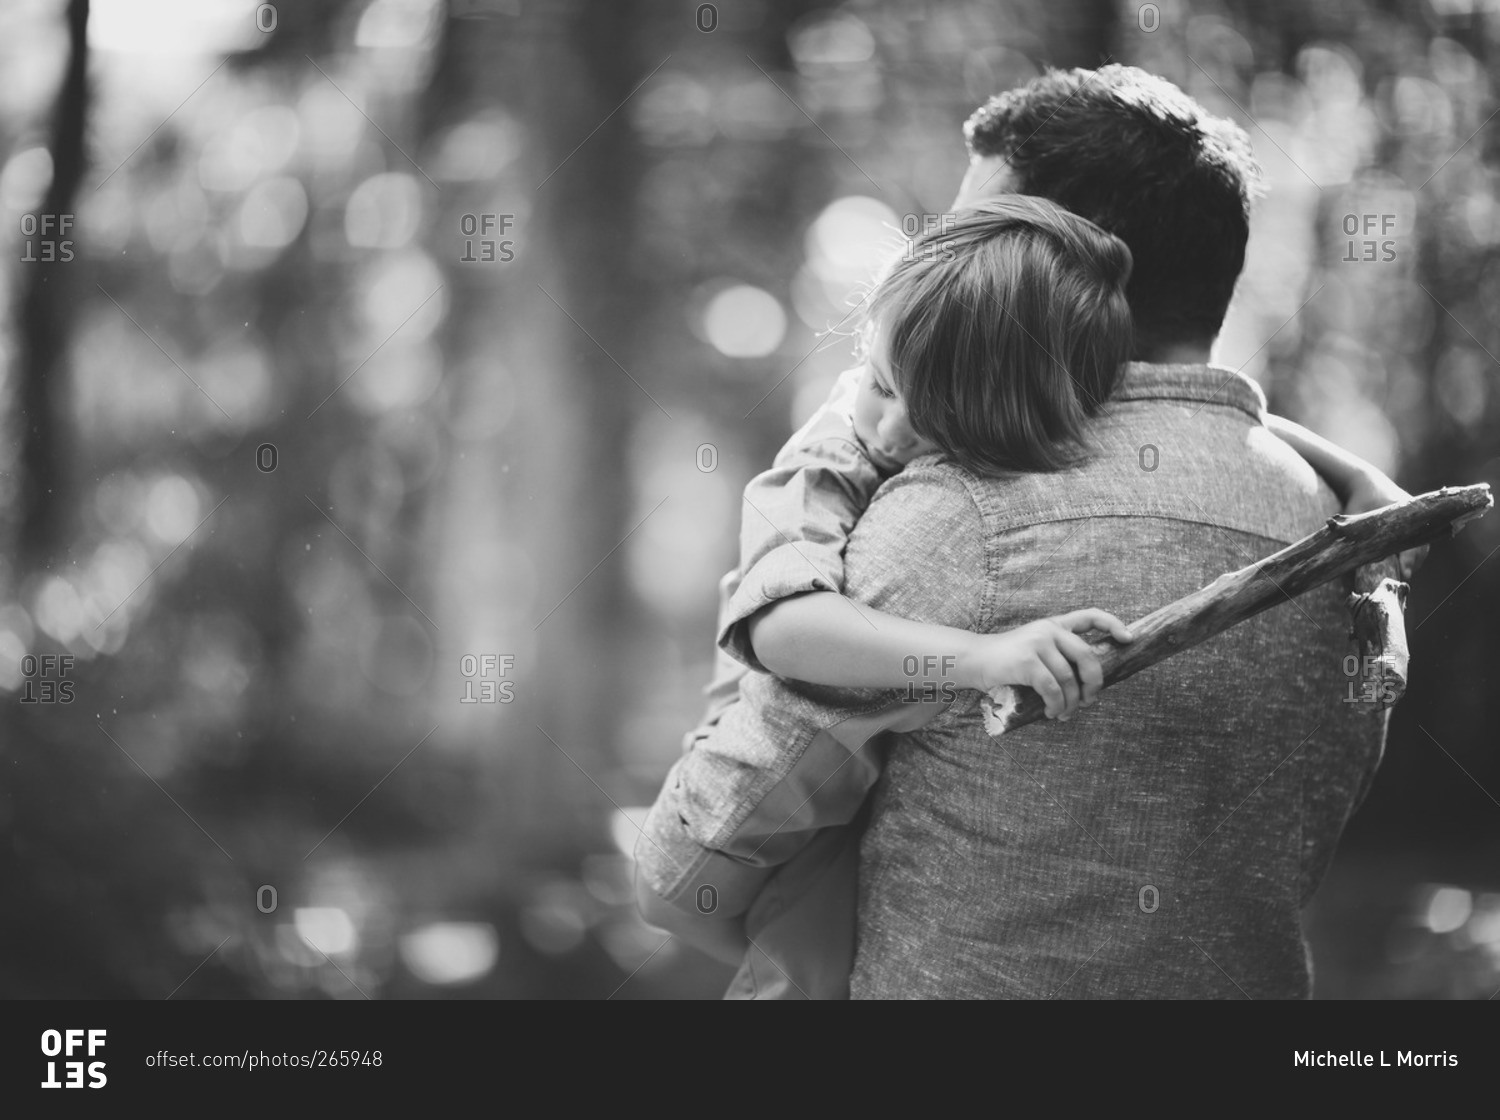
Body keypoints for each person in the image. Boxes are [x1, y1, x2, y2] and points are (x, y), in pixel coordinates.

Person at [638, 65, 1402, 999]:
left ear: (1050, 259)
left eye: (974, 230)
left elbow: (689, 869)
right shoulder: (1354, 541)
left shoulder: (964, 514)